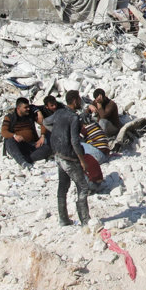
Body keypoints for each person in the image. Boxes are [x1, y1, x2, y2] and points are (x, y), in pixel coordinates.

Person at [40, 94, 90, 226]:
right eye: (79, 100)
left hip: (57, 154)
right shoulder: (73, 117)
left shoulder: (59, 113)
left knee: (63, 187)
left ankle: (63, 218)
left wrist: (57, 132)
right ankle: (85, 221)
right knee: (83, 187)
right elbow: (74, 141)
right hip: (69, 157)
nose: (80, 102)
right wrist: (82, 160)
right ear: (74, 101)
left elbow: (45, 122)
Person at [1, 98, 51, 169]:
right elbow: (4, 132)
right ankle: (22, 162)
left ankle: (27, 158)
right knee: (9, 141)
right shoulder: (9, 117)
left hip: (31, 145)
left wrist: (42, 136)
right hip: (18, 144)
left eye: (28, 107)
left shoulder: (30, 115)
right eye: (25, 107)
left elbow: (43, 123)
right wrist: (14, 136)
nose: (28, 109)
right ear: (18, 108)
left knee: (48, 147)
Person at [69, 91, 111, 165]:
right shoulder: (95, 125)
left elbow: (76, 141)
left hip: (98, 156)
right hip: (106, 155)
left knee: (77, 144)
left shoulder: (85, 129)